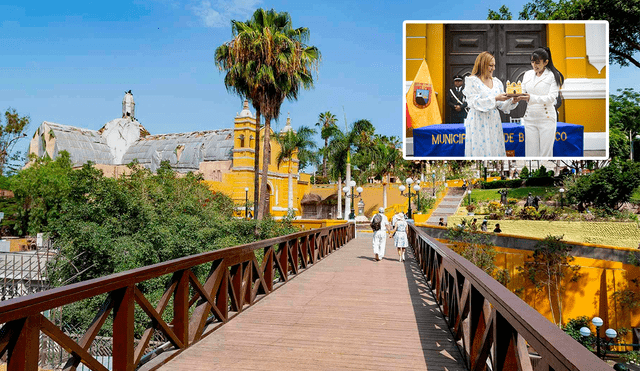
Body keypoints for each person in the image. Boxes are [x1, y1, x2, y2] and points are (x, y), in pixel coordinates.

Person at [463, 51, 521, 157]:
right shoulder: (472, 81)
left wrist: (512, 101)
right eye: (490, 65)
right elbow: (474, 103)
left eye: (494, 65)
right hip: (478, 121)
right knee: (480, 149)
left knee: (494, 148)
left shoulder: (497, 82)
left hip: (493, 120)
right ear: (482, 65)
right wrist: (494, 98)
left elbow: (501, 105)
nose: (493, 68)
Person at [520, 47, 564, 157]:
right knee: (530, 153)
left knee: (545, 153)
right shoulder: (527, 74)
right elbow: (522, 90)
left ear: (546, 62)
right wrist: (515, 96)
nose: (534, 65)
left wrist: (531, 98)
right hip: (530, 118)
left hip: (546, 118)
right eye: (532, 62)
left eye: (538, 62)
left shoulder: (553, 76)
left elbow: (551, 98)